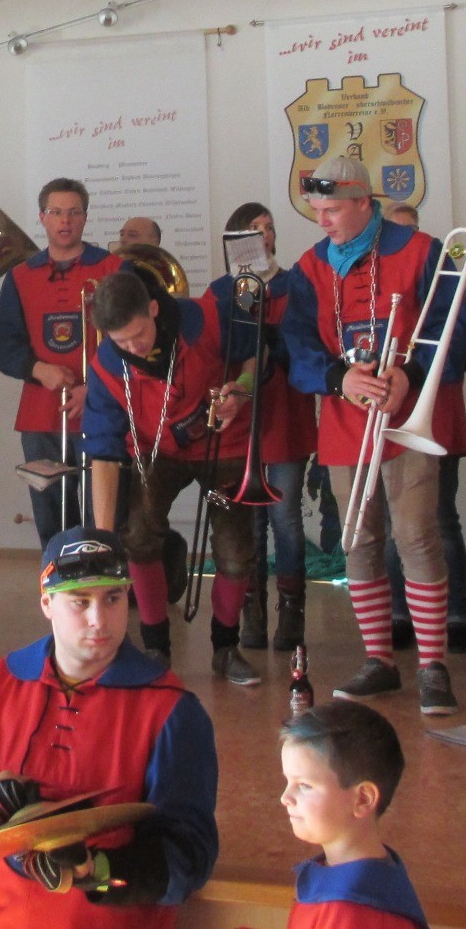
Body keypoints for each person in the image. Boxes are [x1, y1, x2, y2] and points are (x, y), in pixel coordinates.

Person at [0, 528, 219, 926]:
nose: (99, 619)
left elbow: (191, 856)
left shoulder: (173, 708)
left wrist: (95, 871)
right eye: (80, 601)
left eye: (113, 598)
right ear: (47, 603)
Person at [281, 157, 460, 717]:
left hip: (406, 414)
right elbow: (298, 346)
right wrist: (339, 378)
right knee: (357, 539)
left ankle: (432, 666)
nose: (322, 221)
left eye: (332, 210)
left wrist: (410, 374)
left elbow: (456, 331)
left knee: (416, 535)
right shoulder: (309, 267)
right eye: (317, 210)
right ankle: (379, 660)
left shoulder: (424, 251)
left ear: (364, 203)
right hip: (346, 418)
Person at [83, 266, 257, 685]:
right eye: (121, 341)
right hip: (155, 449)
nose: (133, 348)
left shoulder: (207, 319)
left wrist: (242, 388)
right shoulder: (105, 364)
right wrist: (104, 541)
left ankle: (226, 646)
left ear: (154, 309)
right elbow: (104, 453)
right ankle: (155, 645)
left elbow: (258, 351)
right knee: (138, 535)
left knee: (235, 550)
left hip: (225, 441)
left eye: (138, 335)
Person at [381, 201, 466, 656]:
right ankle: (400, 615)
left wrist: (437, 350)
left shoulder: (444, 278)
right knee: (397, 523)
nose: (407, 242)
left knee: (442, 517)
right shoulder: (381, 286)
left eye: (413, 232)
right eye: (398, 233)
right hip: (392, 416)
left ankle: (457, 617)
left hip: (438, 413)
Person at [208, 203, 316, 658]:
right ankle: (249, 610)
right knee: (247, 519)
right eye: (254, 229)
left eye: (269, 228)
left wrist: (277, 344)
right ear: (236, 239)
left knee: (285, 519)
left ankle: (291, 613)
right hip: (241, 417)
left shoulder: (294, 284)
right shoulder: (221, 290)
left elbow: (310, 343)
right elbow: (214, 350)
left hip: (284, 412)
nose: (265, 235)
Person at [0, 178, 120, 547]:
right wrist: (38, 370)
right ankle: (58, 575)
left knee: (103, 514)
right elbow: (4, 345)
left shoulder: (114, 268)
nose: (65, 220)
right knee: (50, 512)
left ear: (85, 217)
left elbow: (131, 340)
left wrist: (93, 387)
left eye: (74, 212)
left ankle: (99, 573)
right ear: (42, 217)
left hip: (102, 408)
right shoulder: (19, 276)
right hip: (40, 415)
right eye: (56, 212)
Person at [281, 700, 428, 929]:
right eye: (288, 782)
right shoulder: (364, 873)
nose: (285, 797)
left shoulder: (353, 911)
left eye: (304, 785)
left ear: (363, 799)